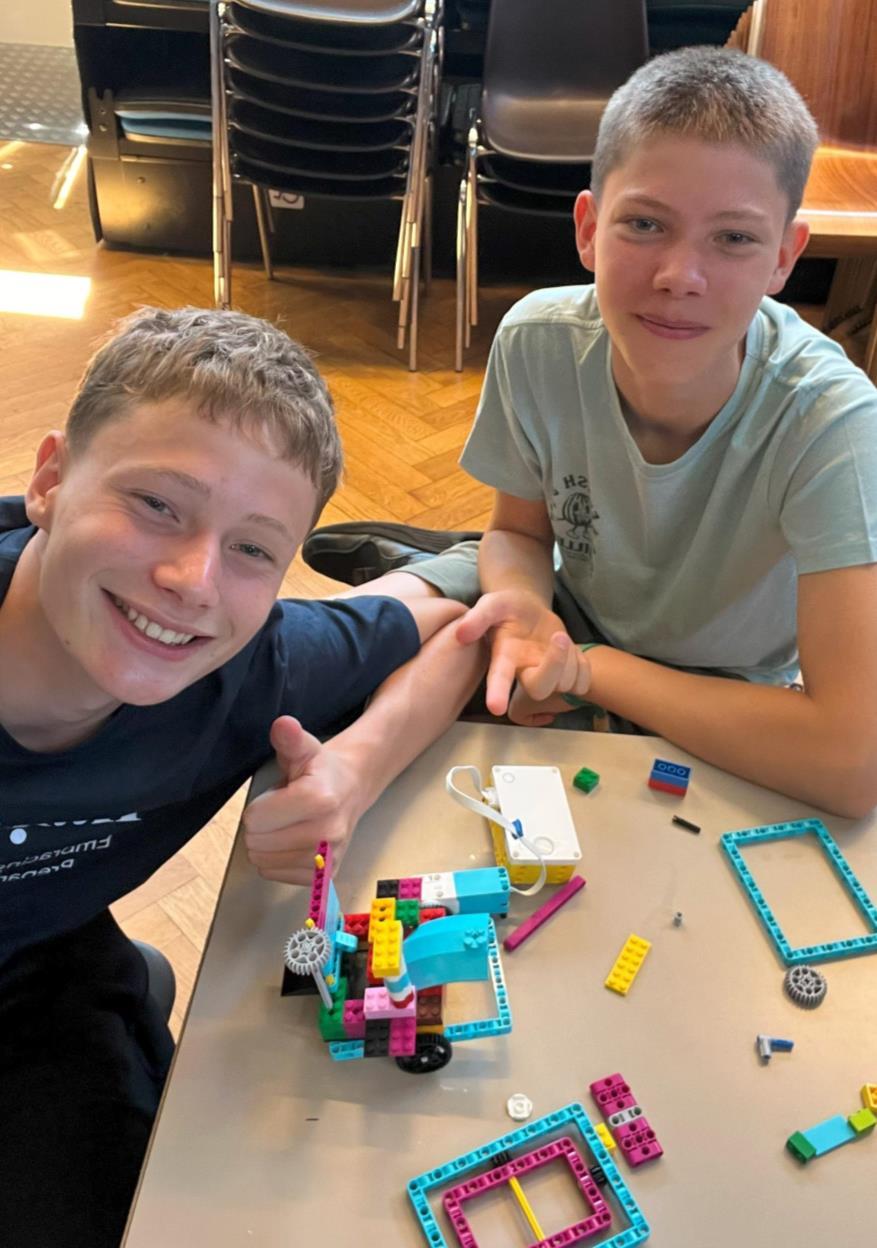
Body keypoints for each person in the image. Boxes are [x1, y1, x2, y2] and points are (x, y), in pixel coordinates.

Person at [0, 306, 484, 1247]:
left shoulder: (246, 667)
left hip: (40, 982)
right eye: (157, 504)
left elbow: (460, 610)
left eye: (255, 549)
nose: (193, 581)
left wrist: (355, 771)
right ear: (50, 480)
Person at [304, 46, 877, 819]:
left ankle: (422, 570)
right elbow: (518, 533)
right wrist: (525, 612)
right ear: (587, 228)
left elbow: (852, 766)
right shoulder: (536, 338)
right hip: (573, 608)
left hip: (725, 682)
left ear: (783, 256)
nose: (679, 276)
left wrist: (589, 669)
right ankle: (335, 764)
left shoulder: (832, 422)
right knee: (439, 617)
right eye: (643, 224)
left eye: (733, 239)